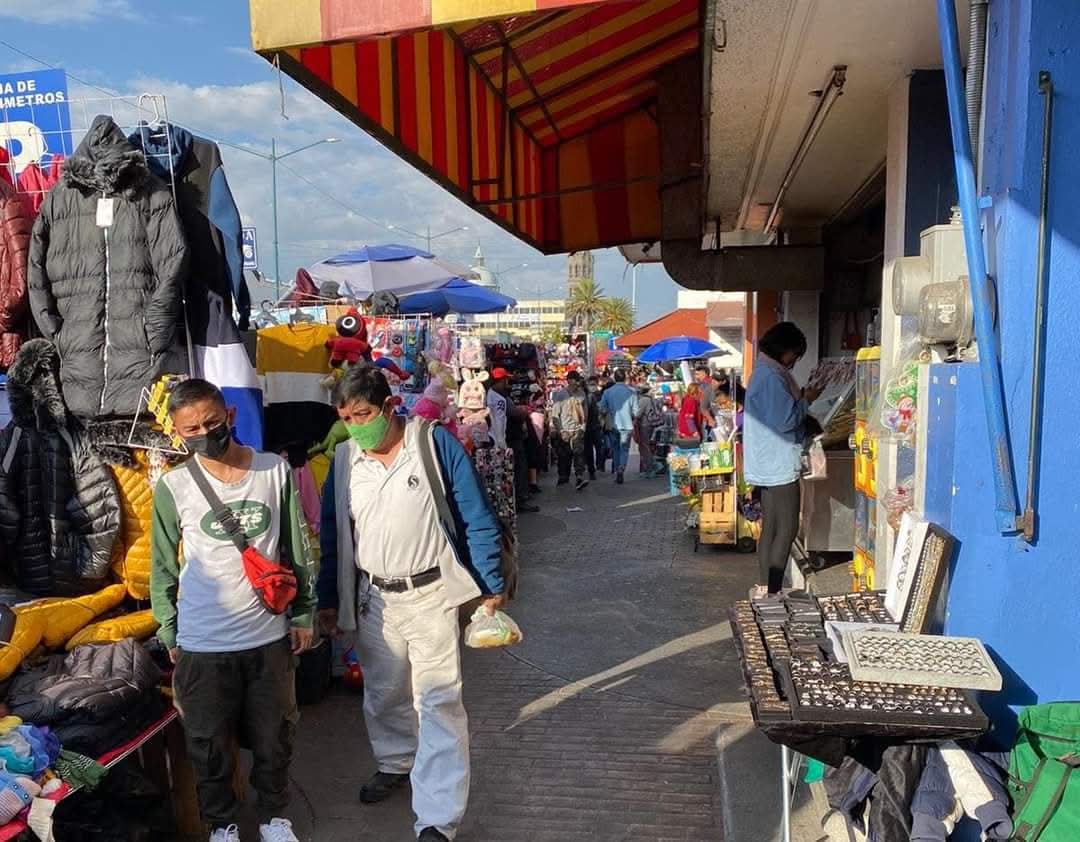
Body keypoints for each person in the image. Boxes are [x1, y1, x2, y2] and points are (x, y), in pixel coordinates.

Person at [317, 367, 505, 842]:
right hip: (374, 597)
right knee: (383, 693)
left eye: (362, 414)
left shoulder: (434, 446)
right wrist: (327, 599)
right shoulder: (344, 460)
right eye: (345, 417)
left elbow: (475, 514)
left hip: (432, 596)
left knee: (438, 702)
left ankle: (437, 820)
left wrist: (489, 584)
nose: (356, 426)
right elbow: (334, 535)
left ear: (387, 407)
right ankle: (396, 761)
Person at [150, 379, 316, 842]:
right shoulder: (173, 486)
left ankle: (273, 819)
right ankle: (221, 824)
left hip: (266, 636)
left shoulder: (273, 471)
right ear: (178, 434)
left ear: (231, 418)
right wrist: (170, 634)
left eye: (212, 423)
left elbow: (296, 546)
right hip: (202, 642)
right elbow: (161, 565)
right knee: (206, 743)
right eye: (192, 429)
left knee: (275, 737)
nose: (204, 433)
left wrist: (303, 612)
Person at [743, 322, 822, 596]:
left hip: (767, 463)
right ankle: (773, 588)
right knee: (786, 528)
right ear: (783, 349)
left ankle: (766, 586)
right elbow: (786, 420)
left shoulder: (764, 373)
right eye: (795, 355)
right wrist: (806, 400)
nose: (794, 361)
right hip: (777, 464)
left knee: (772, 527)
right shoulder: (772, 378)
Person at [598, 368, 639, 484]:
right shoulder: (632, 391)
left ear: (615, 378)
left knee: (615, 448)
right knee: (624, 449)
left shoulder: (607, 392)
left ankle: (617, 470)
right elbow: (636, 411)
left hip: (612, 424)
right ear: (625, 378)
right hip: (627, 425)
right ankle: (621, 468)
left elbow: (602, 408)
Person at [551, 371, 590, 490]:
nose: (576, 383)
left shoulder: (582, 394)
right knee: (564, 456)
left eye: (577, 380)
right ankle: (563, 478)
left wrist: (583, 428)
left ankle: (579, 477)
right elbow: (555, 415)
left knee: (579, 455)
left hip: (577, 430)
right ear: (568, 381)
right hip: (565, 430)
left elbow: (585, 413)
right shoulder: (561, 395)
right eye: (573, 380)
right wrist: (561, 431)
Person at [635, 384, 663, 476]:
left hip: (644, 425)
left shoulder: (643, 400)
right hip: (651, 424)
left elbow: (638, 414)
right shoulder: (652, 398)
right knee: (648, 446)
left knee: (644, 446)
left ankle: (651, 467)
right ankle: (651, 466)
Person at [584, 375, 604, 479]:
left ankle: (594, 468)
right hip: (593, 426)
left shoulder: (595, 395)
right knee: (596, 447)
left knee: (591, 449)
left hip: (589, 426)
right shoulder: (591, 397)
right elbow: (596, 412)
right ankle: (594, 468)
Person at [485, 367, 510, 449]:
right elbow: (495, 418)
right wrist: (500, 441)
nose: (507, 382)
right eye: (505, 379)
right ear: (501, 380)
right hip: (495, 438)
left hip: (500, 437)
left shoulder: (497, 394)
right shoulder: (493, 396)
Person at [694, 364, 718, 433]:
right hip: (713, 414)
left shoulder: (704, 384)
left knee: (708, 437)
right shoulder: (712, 382)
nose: (696, 376)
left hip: (708, 416)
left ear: (704, 373)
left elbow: (704, 403)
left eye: (697, 374)